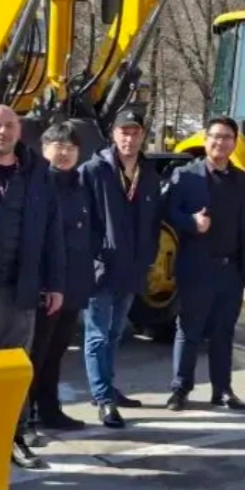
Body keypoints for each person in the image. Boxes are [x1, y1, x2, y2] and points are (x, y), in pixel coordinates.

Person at [0, 104, 65, 470]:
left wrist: (54, 282)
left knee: (13, 371)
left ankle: (13, 437)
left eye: (8, 126)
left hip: (20, 291)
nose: (1, 133)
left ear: (19, 131)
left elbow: (53, 232)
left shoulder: (39, 173)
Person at [165, 116, 245, 411]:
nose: (221, 142)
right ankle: (180, 389)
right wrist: (190, 222)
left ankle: (222, 390)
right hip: (197, 266)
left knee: (223, 332)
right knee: (189, 330)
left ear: (234, 143)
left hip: (230, 269)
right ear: (206, 140)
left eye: (227, 137)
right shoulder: (185, 175)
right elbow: (166, 213)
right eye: (215, 136)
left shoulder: (243, 181)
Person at [81, 107, 161, 428]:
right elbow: (82, 220)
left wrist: (147, 257)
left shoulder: (150, 175)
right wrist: (93, 258)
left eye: (135, 132)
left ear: (143, 136)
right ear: (113, 135)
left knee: (115, 334)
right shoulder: (94, 171)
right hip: (102, 268)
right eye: (123, 131)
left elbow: (154, 223)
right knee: (97, 334)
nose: (129, 138)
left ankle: (106, 387)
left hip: (132, 269)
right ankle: (102, 399)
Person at [29, 122, 94, 434]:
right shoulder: (37, 185)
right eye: (58, 146)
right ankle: (27, 416)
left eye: (70, 147)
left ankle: (50, 410)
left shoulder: (81, 185)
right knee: (37, 353)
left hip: (74, 285)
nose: (64, 152)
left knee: (56, 353)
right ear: (45, 149)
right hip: (47, 286)